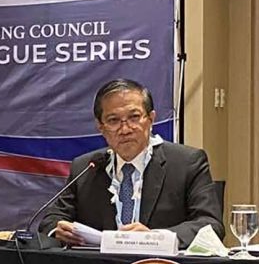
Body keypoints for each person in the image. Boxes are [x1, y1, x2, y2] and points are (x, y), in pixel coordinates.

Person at [39, 78, 223, 248]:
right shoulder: (87, 167)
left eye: (134, 117)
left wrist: (155, 237)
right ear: (101, 127)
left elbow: (210, 225)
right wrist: (58, 230)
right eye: (113, 121)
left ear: (151, 119)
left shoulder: (186, 163)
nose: (125, 129)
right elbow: (51, 219)